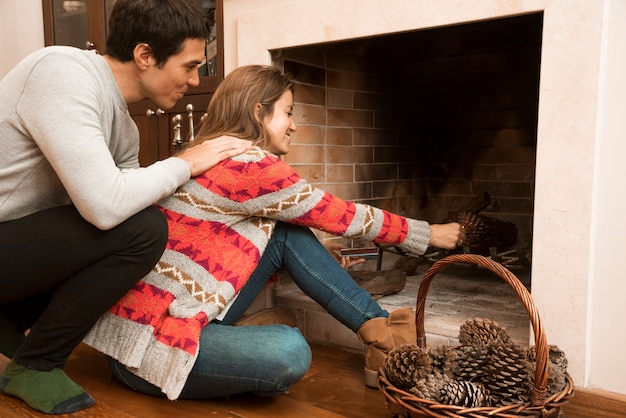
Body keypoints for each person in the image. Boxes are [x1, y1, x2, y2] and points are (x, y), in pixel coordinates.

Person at [83, 64, 465, 401]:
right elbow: (341, 215)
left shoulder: (211, 151)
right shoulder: (249, 164)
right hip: (148, 352)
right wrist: (429, 233)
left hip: (161, 321)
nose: (295, 124)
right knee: (290, 351)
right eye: (288, 112)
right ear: (257, 112)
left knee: (283, 231)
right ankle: (378, 336)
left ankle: (379, 333)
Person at [0, 0, 250, 414]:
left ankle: (7, 318)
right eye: (188, 66)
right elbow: (105, 207)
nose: (194, 79)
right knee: (142, 230)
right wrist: (187, 162)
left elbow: (133, 197)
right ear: (145, 55)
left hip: (17, 247)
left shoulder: (124, 127)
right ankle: (36, 365)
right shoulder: (62, 71)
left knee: (139, 226)